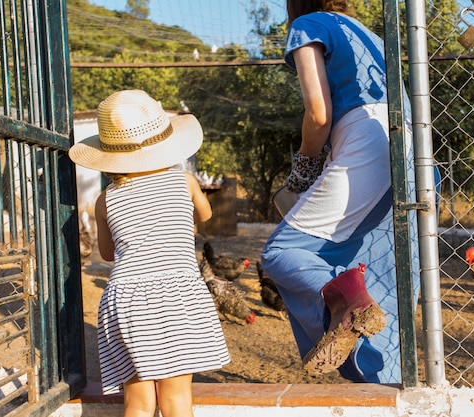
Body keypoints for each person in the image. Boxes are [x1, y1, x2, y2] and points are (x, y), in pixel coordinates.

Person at [260, 0, 429, 383]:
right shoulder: (369, 33)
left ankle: (346, 302)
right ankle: (379, 379)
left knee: (281, 251)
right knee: (377, 268)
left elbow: (318, 114)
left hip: (366, 145)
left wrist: (302, 171)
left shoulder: (309, 24)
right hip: (410, 149)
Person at [68, 90, 230, 417]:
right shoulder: (185, 182)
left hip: (125, 300)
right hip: (177, 295)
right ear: (164, 144)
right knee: (176, 401)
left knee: (139, 405)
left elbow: (108, 253)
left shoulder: (104, 199)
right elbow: (206, 215)